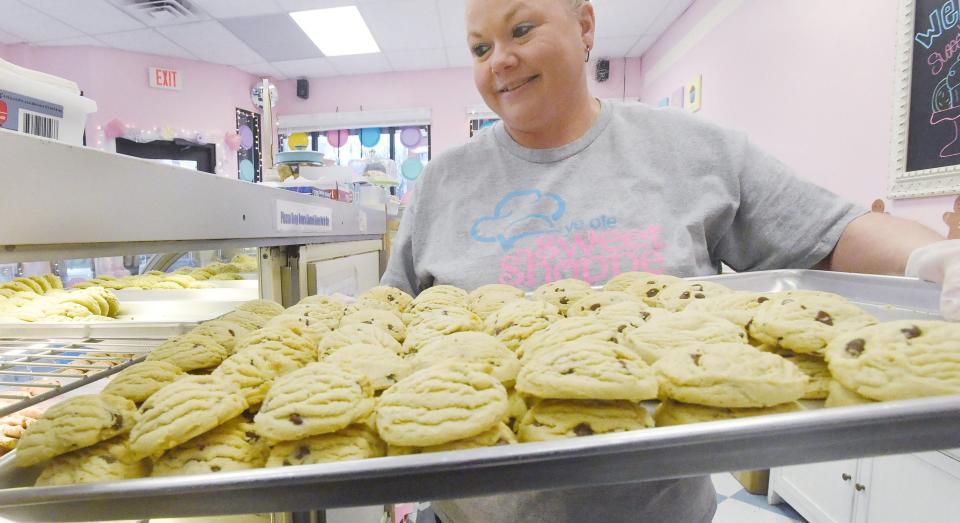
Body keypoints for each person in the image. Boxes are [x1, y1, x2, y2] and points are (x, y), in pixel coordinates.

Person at [381, 0, 960, 521]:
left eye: (521, 30)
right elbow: (385, 336)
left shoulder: (692, 150)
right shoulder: (441, 184)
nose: (499, 61)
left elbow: (834, 233)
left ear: (584, 24)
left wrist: (934, 255)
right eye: (480, 48)